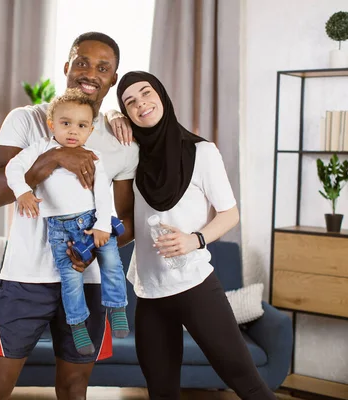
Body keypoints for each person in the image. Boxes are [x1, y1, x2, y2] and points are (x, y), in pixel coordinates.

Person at [0, 32, 138, 400]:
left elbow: (125, 220)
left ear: (113, 78)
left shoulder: (121, 143)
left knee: (74, 388)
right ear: (67, 67)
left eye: (102, 67)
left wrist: (91, 250)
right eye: (82, 62)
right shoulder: (27, 121)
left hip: (88, 282)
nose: (90, 72)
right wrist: (52, 159)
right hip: (25, 278)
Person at [116, 71, 276, 400]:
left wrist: (195, 240)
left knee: (245, 382)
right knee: (161, 392)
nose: (140, 103)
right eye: (129, 102)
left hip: (195, 287)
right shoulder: (133, 157)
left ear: (161, 94)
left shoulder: (201, 152)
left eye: (146, 93)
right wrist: (110, 115)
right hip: (149, 293)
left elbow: (230, 214)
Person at [4, 88, 129, 356]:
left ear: (90, 130)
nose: (73, 131)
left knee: (112, 262)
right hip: (59, 229)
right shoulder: (41, 149)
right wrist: (22, 192)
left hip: (93, 222)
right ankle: (78, 327)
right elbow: (13, 168)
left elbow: (102, 194)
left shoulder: (93, 157)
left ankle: (117, 307)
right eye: (65, 123)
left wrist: (103, 227)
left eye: (81, 125)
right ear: (52, 124)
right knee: (71, 280)